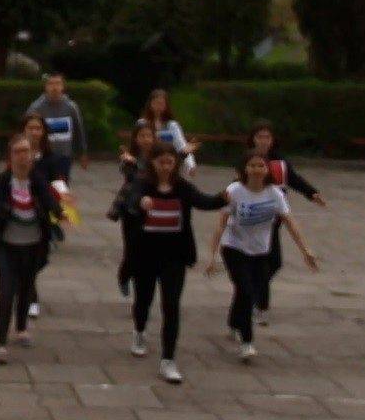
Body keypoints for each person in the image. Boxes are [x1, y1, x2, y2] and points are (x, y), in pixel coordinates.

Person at [123, 142, 227, 384]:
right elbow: (132, 201)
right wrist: (141, 203)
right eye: (162, 162)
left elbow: (204, 202)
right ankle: (139, 331)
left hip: (175, 257)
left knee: (171, 306)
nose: (166, 167)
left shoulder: (183, 188)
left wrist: (223, 197)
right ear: (153, 163)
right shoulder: (143, 184)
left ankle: (168, 360)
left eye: (171, 162)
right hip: (145, 254)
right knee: (144, 299)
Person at [206, 152, 318, 362]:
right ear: (244, 169)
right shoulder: (234, 191)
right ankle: (247, 342)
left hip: (260, 250)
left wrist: (306, 250)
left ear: (267, 170)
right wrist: (212, 256)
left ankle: (233, 321)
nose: (257, 170)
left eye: (261, 166)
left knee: (249, 290)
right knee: (246, 291)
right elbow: (221, 224)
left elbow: (289, 222)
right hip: (234, 248)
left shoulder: (275, 194)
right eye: (252, 165)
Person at [0, 134, 61, 365]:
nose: (23, 157)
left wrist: (60, 212)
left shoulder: (38, 179)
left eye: (27, 151)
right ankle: (0, 343)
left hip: (33, 245)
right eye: (18, 152)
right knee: (6, 291)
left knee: (26, 287)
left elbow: (49, 199)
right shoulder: (3, 180)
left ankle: (22, 327)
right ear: (10, 156)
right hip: (4, 246)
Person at [245, 120, 327, 324]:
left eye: (267, 137)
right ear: (253, 139)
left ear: (272, 140)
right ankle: (260, 305)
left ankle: (251, 291)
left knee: (274, 263)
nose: (264, 141)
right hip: (255, 218)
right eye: (260, 137)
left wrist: (311, 193)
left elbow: (294, 179)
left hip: (276, 216)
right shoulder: (248, 160)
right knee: (265, 262)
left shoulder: (280, 162)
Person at [18, 112, 69, 318]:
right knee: (25, 257)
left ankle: (25, 284)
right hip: (20, 211)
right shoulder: (18, 153)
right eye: (30, 128)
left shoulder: (51, 158)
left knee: (41, 257)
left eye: (38, 128)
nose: (34, 132)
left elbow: (57, 180)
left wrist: (63, 197)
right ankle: (31, 297)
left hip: (43, 213)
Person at [107, 123, 158, 297]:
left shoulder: (157, 157)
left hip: (152, 207)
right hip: (131, 208)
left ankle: (141, 291)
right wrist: (131, 162)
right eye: (142, 136)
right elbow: (130, 176)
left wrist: (184, 153)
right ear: (136, 139)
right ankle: (124, 275)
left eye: (149, 136)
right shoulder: (129, 158)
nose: (146, 140)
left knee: (147, 251)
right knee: (131, 250)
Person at [26, 73, 88, 178]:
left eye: (58, 84)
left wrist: (82, 153)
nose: (54, 88)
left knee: (61, 188)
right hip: (42, 156)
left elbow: (79, 131)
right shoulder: (36, 108)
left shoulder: (71, 107)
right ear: (45, 87)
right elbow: (26, 131)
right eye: (51, 84)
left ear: (63, 87)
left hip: (63, 156)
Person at [139, 89, 199, 177]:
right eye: (156, 103)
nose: (158, 106)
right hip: (147, 164)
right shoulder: (142, 123)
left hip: (167, 165)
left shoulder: (172, 125)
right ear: (150, 104)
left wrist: (191, 165)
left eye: (161, 104)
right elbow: (136, 145)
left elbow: (181, 145)